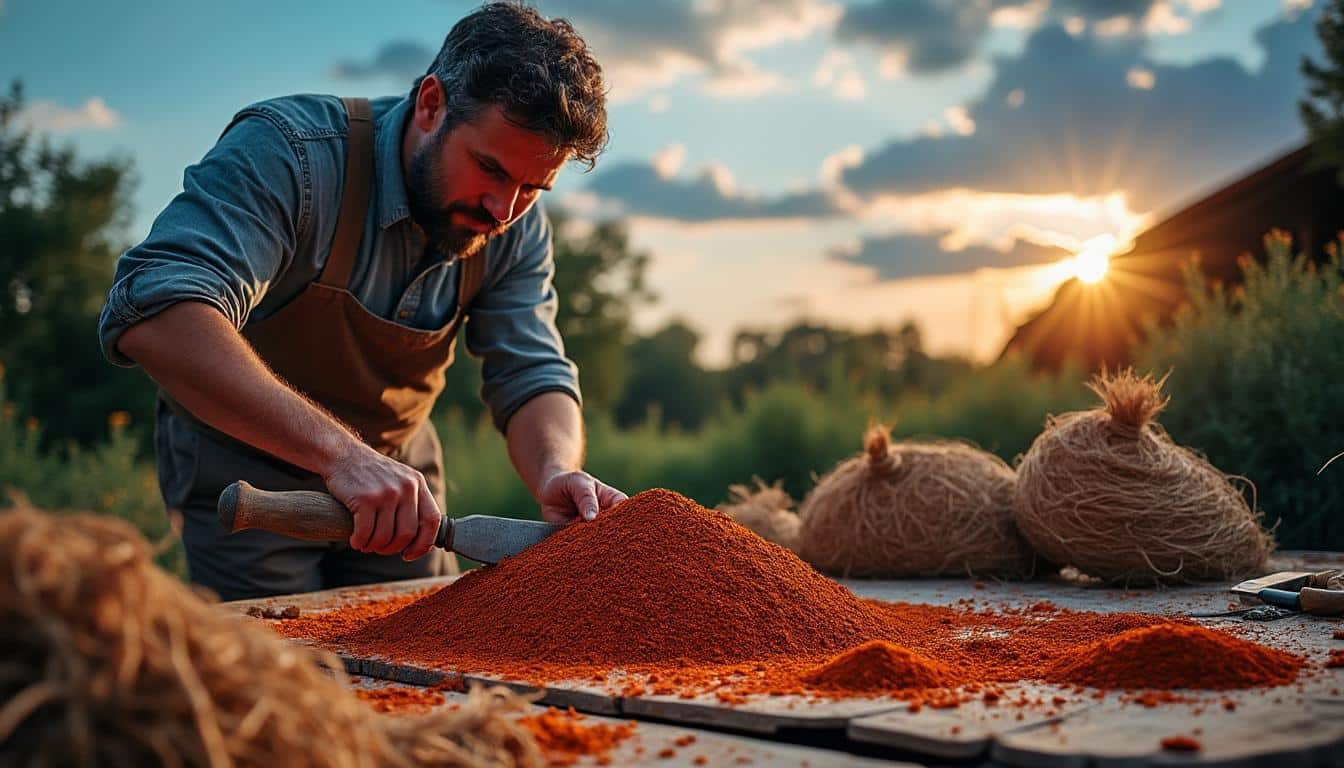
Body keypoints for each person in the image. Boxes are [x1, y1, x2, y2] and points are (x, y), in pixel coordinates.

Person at [97, 2, 627, 600]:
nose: (503, 209)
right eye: (490, 169)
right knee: (282, 656)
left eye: (533, 188)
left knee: (426, 651)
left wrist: (556, 469)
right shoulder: (291, 154)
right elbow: (158, 312)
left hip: (403, 492)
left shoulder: (513, 226)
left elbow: (530, 370)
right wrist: (342, 458)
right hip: (249, 483)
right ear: (431, 105)